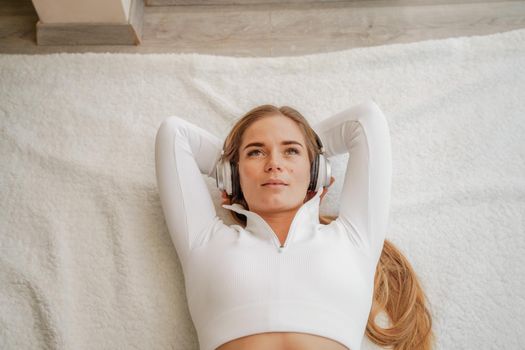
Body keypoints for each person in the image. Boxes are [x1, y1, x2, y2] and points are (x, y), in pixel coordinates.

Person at [155, 100, 435, 350]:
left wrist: (311, 154)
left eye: (291, 151)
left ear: (316, 173)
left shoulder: (353, 239)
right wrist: (231, 169)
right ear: (231, 176)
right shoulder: (205, 243)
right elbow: (173, 133)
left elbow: (366, 119)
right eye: (255, 153)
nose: (274, 163)